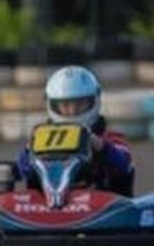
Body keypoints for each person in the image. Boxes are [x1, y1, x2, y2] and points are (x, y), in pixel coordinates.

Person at [17, 64, 135, 196]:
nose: (72, 111)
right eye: (65, 105)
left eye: (79, 104)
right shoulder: (41, 136)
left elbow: (125, 164)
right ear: (52, 104)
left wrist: (101, 147)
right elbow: (23, 169)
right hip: (46, 208)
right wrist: (31, 149)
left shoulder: (109, 137)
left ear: (94, 101)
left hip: (99, 206)